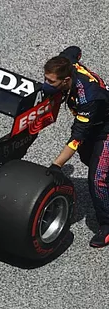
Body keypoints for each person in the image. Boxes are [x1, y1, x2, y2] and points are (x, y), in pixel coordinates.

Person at [45, 48, 109, 247]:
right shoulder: (67, 62)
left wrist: (56, 165)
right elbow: (75, 50)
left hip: (105, 131)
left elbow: (76, 138)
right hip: (94, 128)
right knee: (89, 160)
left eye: (51, 82)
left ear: (65, 81)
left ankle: (106, 225)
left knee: (97, 179)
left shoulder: (88, 98)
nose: (46, 84)